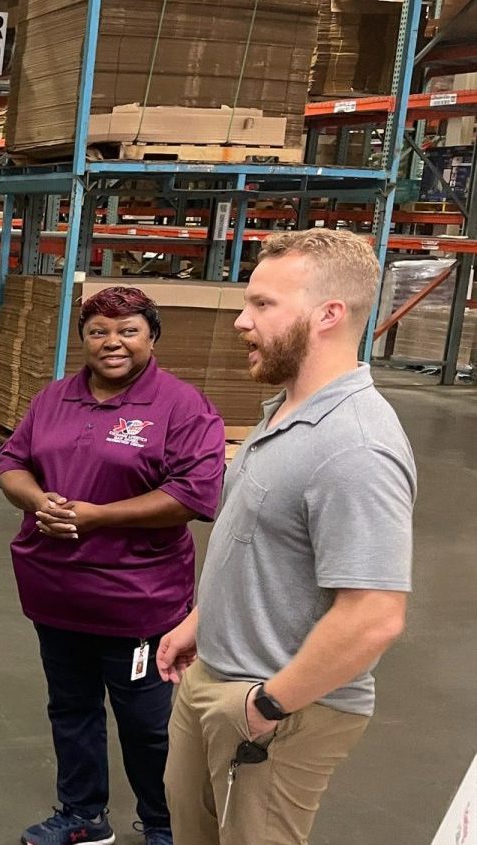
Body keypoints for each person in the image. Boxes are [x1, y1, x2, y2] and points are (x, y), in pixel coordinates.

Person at [157, 229, 415, 845]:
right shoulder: (286, 409)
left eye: (264, 305)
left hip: (279, 706)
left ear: (328, 314)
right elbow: (259, 537)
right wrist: (202, 621)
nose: (242, 322)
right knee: (190, 825)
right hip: (216, 675)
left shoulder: (356, 446)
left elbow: (374, 616)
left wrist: (268, 706)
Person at [0, 286, 227, 845]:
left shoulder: (180, 406)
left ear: (152, 337)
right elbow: (12, 462)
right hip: (56, 593)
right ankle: (82, 814)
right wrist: (38, 501)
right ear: (83, 339)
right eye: (98, 331)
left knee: (148, 724)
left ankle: (165, 824)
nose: (112, 342)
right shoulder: (54, 398)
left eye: (128, 330)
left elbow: (197, 495)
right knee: (70, 708)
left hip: (136, 602)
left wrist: (100, 517)